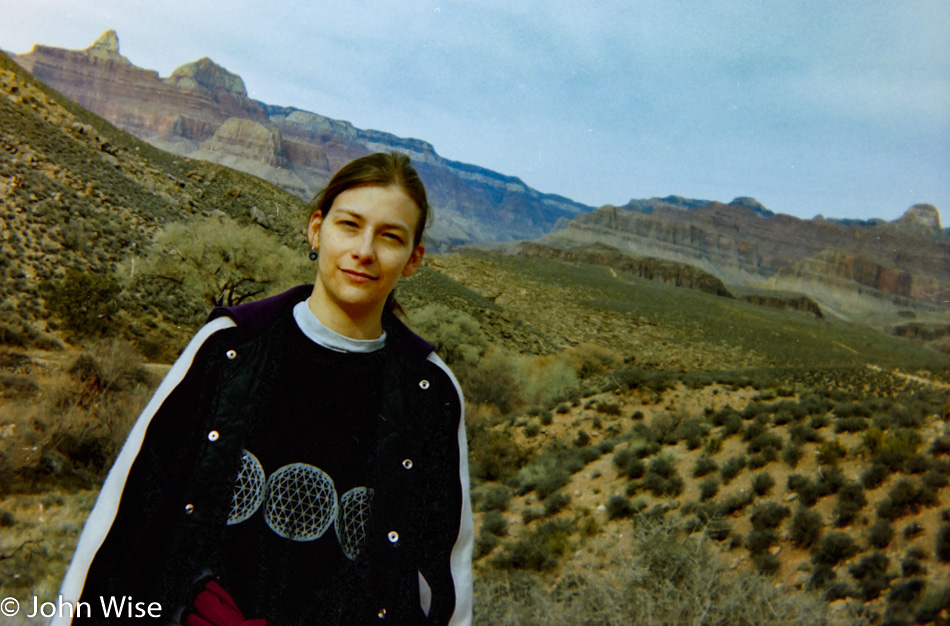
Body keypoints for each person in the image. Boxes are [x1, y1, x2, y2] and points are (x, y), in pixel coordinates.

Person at [54, 152, 473, 625]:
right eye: (349, 225)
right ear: (316, 229)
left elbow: (443, 572)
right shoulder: (231, 345)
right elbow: (125, 507)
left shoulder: (430, 389)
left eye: (391, 237)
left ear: (414, 258)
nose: (365, 251)